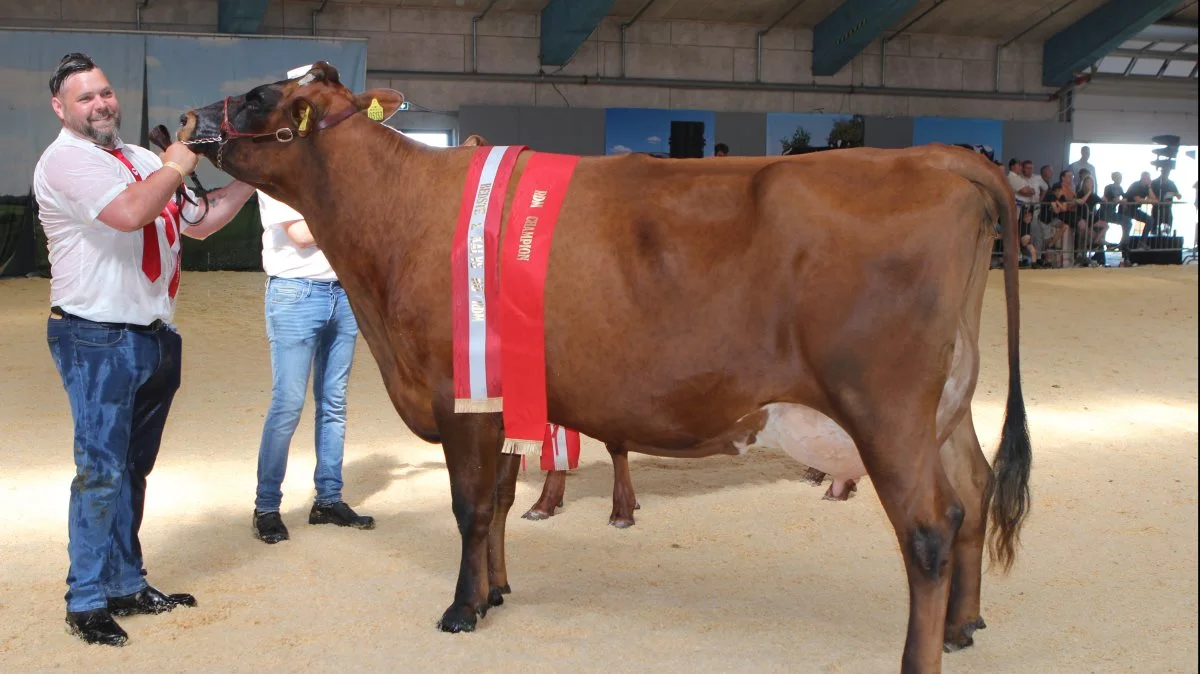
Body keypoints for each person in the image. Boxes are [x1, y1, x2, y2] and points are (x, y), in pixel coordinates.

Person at [32, 52, 257, 647]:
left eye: (104, 92)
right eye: (85, 98)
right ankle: (85, 599)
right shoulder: (64, 162)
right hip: (95, 338)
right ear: (61, 108)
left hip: (153, 337)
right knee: (100, 473)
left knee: (132, 471)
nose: (101, 104)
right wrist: (179, 163)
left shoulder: (136, 158)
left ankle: (126, 583)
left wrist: (255, 176)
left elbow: (200, 221)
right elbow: (132, 212)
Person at [251, 65, 374, 545]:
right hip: (296, 293)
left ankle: (328, 499)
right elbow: (302, 236)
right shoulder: (277, 171)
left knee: (335, 403)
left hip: (341, 293)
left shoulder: (329, 170)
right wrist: (348, 215)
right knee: (287, 404)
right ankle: (266, 507)